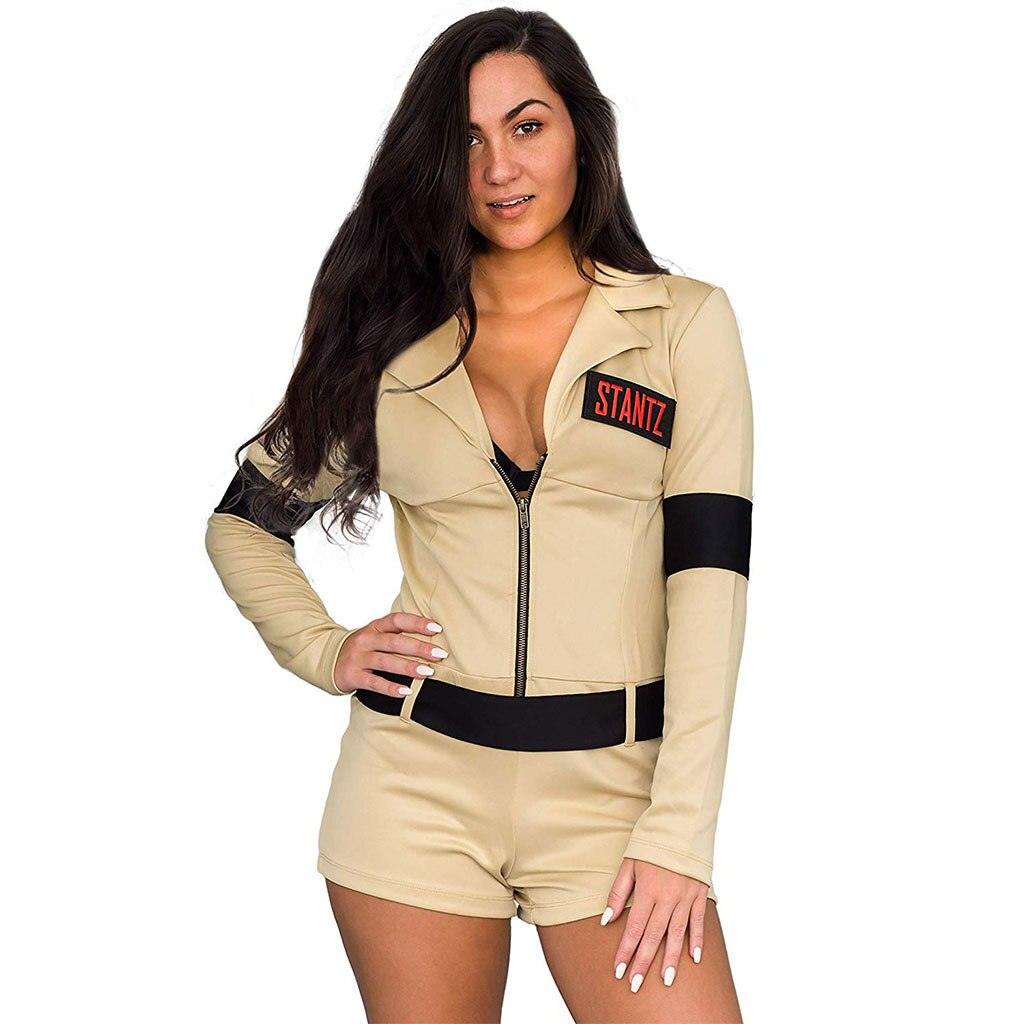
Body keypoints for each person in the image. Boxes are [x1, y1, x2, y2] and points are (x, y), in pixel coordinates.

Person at [205, 8, 752, 1022]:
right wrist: (325, 649)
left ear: (582, 132)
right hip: (413, 794)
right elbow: (243, 522)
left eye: (527, 126)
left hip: (614, 796)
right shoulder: (389, 338)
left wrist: (679, 833)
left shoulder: (680, 326)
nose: (499, 167)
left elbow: (710, 592)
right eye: (465, 139)